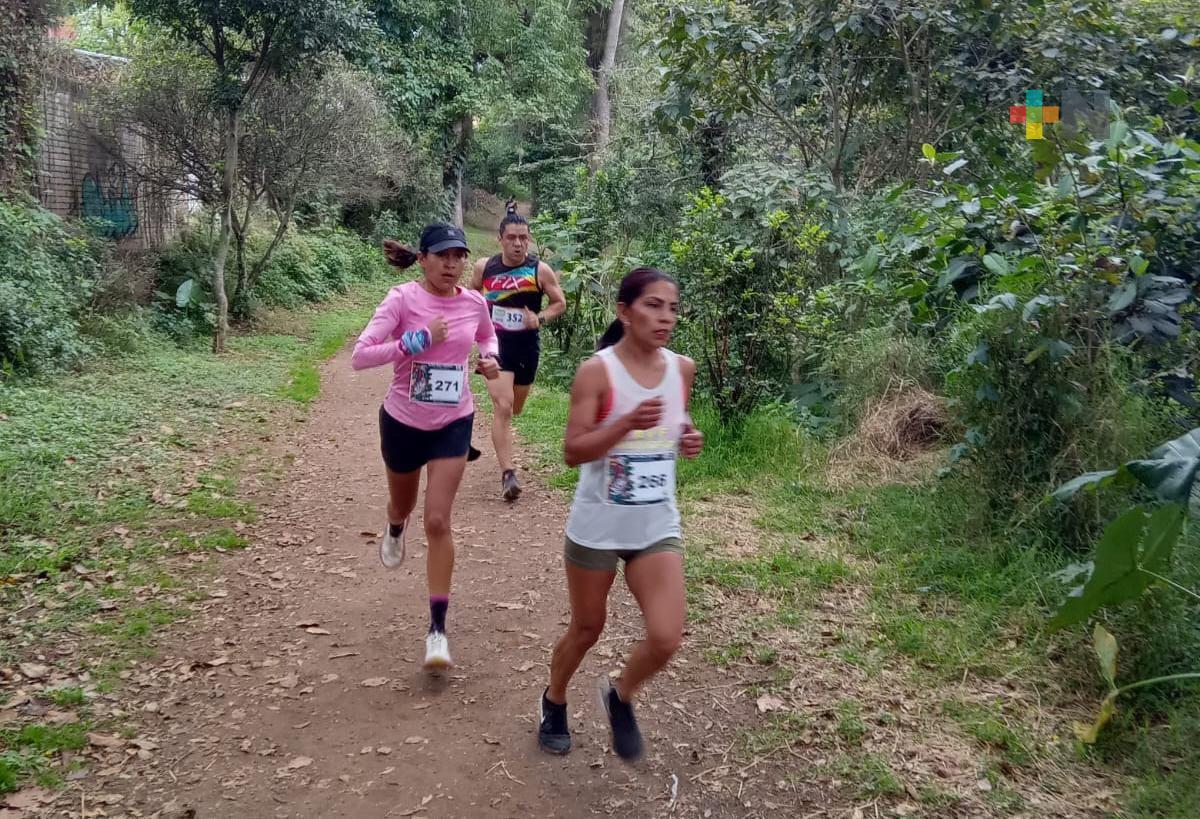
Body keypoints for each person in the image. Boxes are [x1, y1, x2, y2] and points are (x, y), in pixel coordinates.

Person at [537, 268, 704, 761]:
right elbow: (573, 450)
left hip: (655, 524)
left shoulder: (682, 368)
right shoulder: (598, 371)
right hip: (598, 526)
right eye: (654, 305)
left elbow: (678, 418)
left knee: (667, 637)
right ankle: (554, 698)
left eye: (672, 308)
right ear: (624, 311)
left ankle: (620, 694)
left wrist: (687, 435)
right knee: (588, 628)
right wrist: (626, 422)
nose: (666, 317)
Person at [351, 222, 501, 669]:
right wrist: (413, 341)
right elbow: (361, 355)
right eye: (442, 256)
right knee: (405, 505)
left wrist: (490, 359)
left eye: (458, 256)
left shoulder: (474, 302)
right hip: (402, 421)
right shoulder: (402, 300)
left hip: (453, 419)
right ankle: (396, 525)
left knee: (438, 521)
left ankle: (437, 630)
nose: (452, 265)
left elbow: (487, 336)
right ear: (423, 259)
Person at [470, 213, 566, 501]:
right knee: (503, 406)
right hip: (494, 346)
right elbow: (468, 297)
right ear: (499, 239)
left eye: (523, 237)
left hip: (526, 347)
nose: (518, 243)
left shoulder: (540, 270)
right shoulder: (484, 268)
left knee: (517, 407)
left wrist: (540, 318)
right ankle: (508, 474)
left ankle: (506, 443)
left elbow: (559, 303)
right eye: (511, 237)